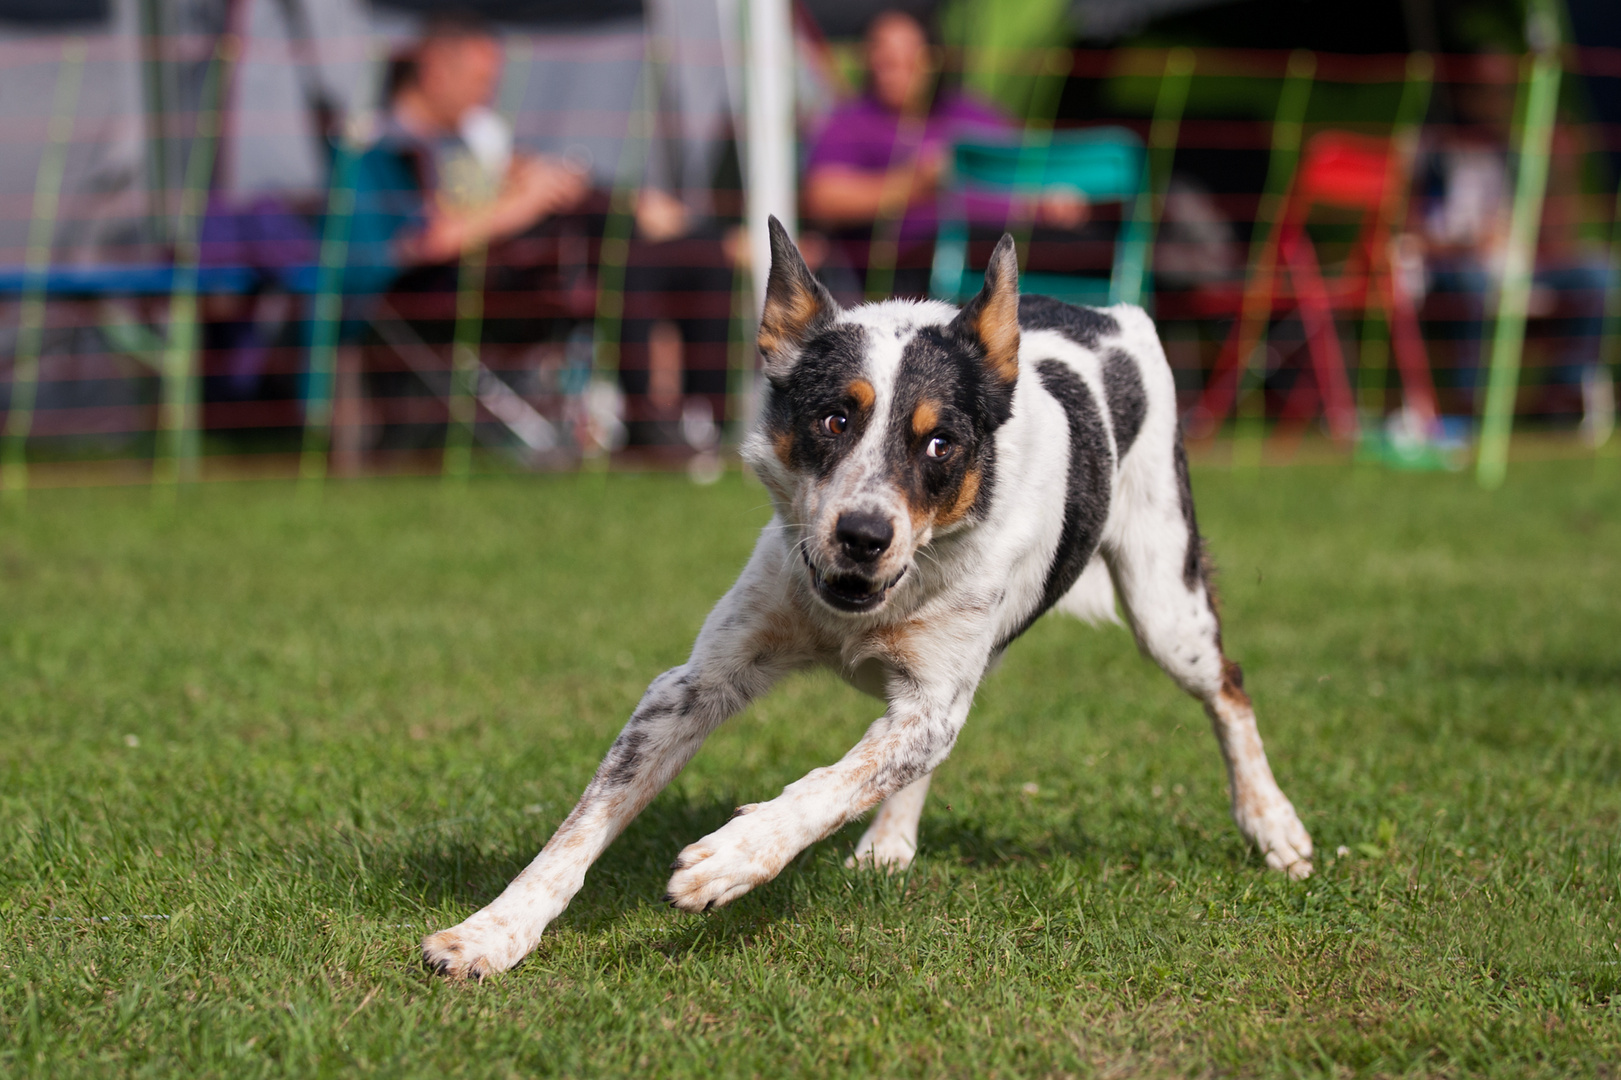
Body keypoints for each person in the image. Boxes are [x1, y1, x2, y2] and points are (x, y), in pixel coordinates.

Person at [802, 9, 1088, 298]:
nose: (894, 62)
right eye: (882, 51)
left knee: (1082, 246)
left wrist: (1050, 199)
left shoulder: (968, 112)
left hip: (1010, 244)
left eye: (908, 52)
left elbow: (1025, 169)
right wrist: (916, 183)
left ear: (933, 58)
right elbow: (823, 198)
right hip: (920, 263)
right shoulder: (849, 122)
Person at [1410, 54, 1613, 434]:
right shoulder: (1430, 152)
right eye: (1487, 92)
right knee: (1471, 280)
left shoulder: (1515, 156)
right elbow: (1404, 232)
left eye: (1505, 92)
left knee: (1598, 273)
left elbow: (1553, 238)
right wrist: (1468, 244)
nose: (1498, 102)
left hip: (1518, 267)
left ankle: (1561, 397)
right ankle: (1468, 409)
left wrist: (1561, 165)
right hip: (1451, 271)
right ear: (1462, 95)